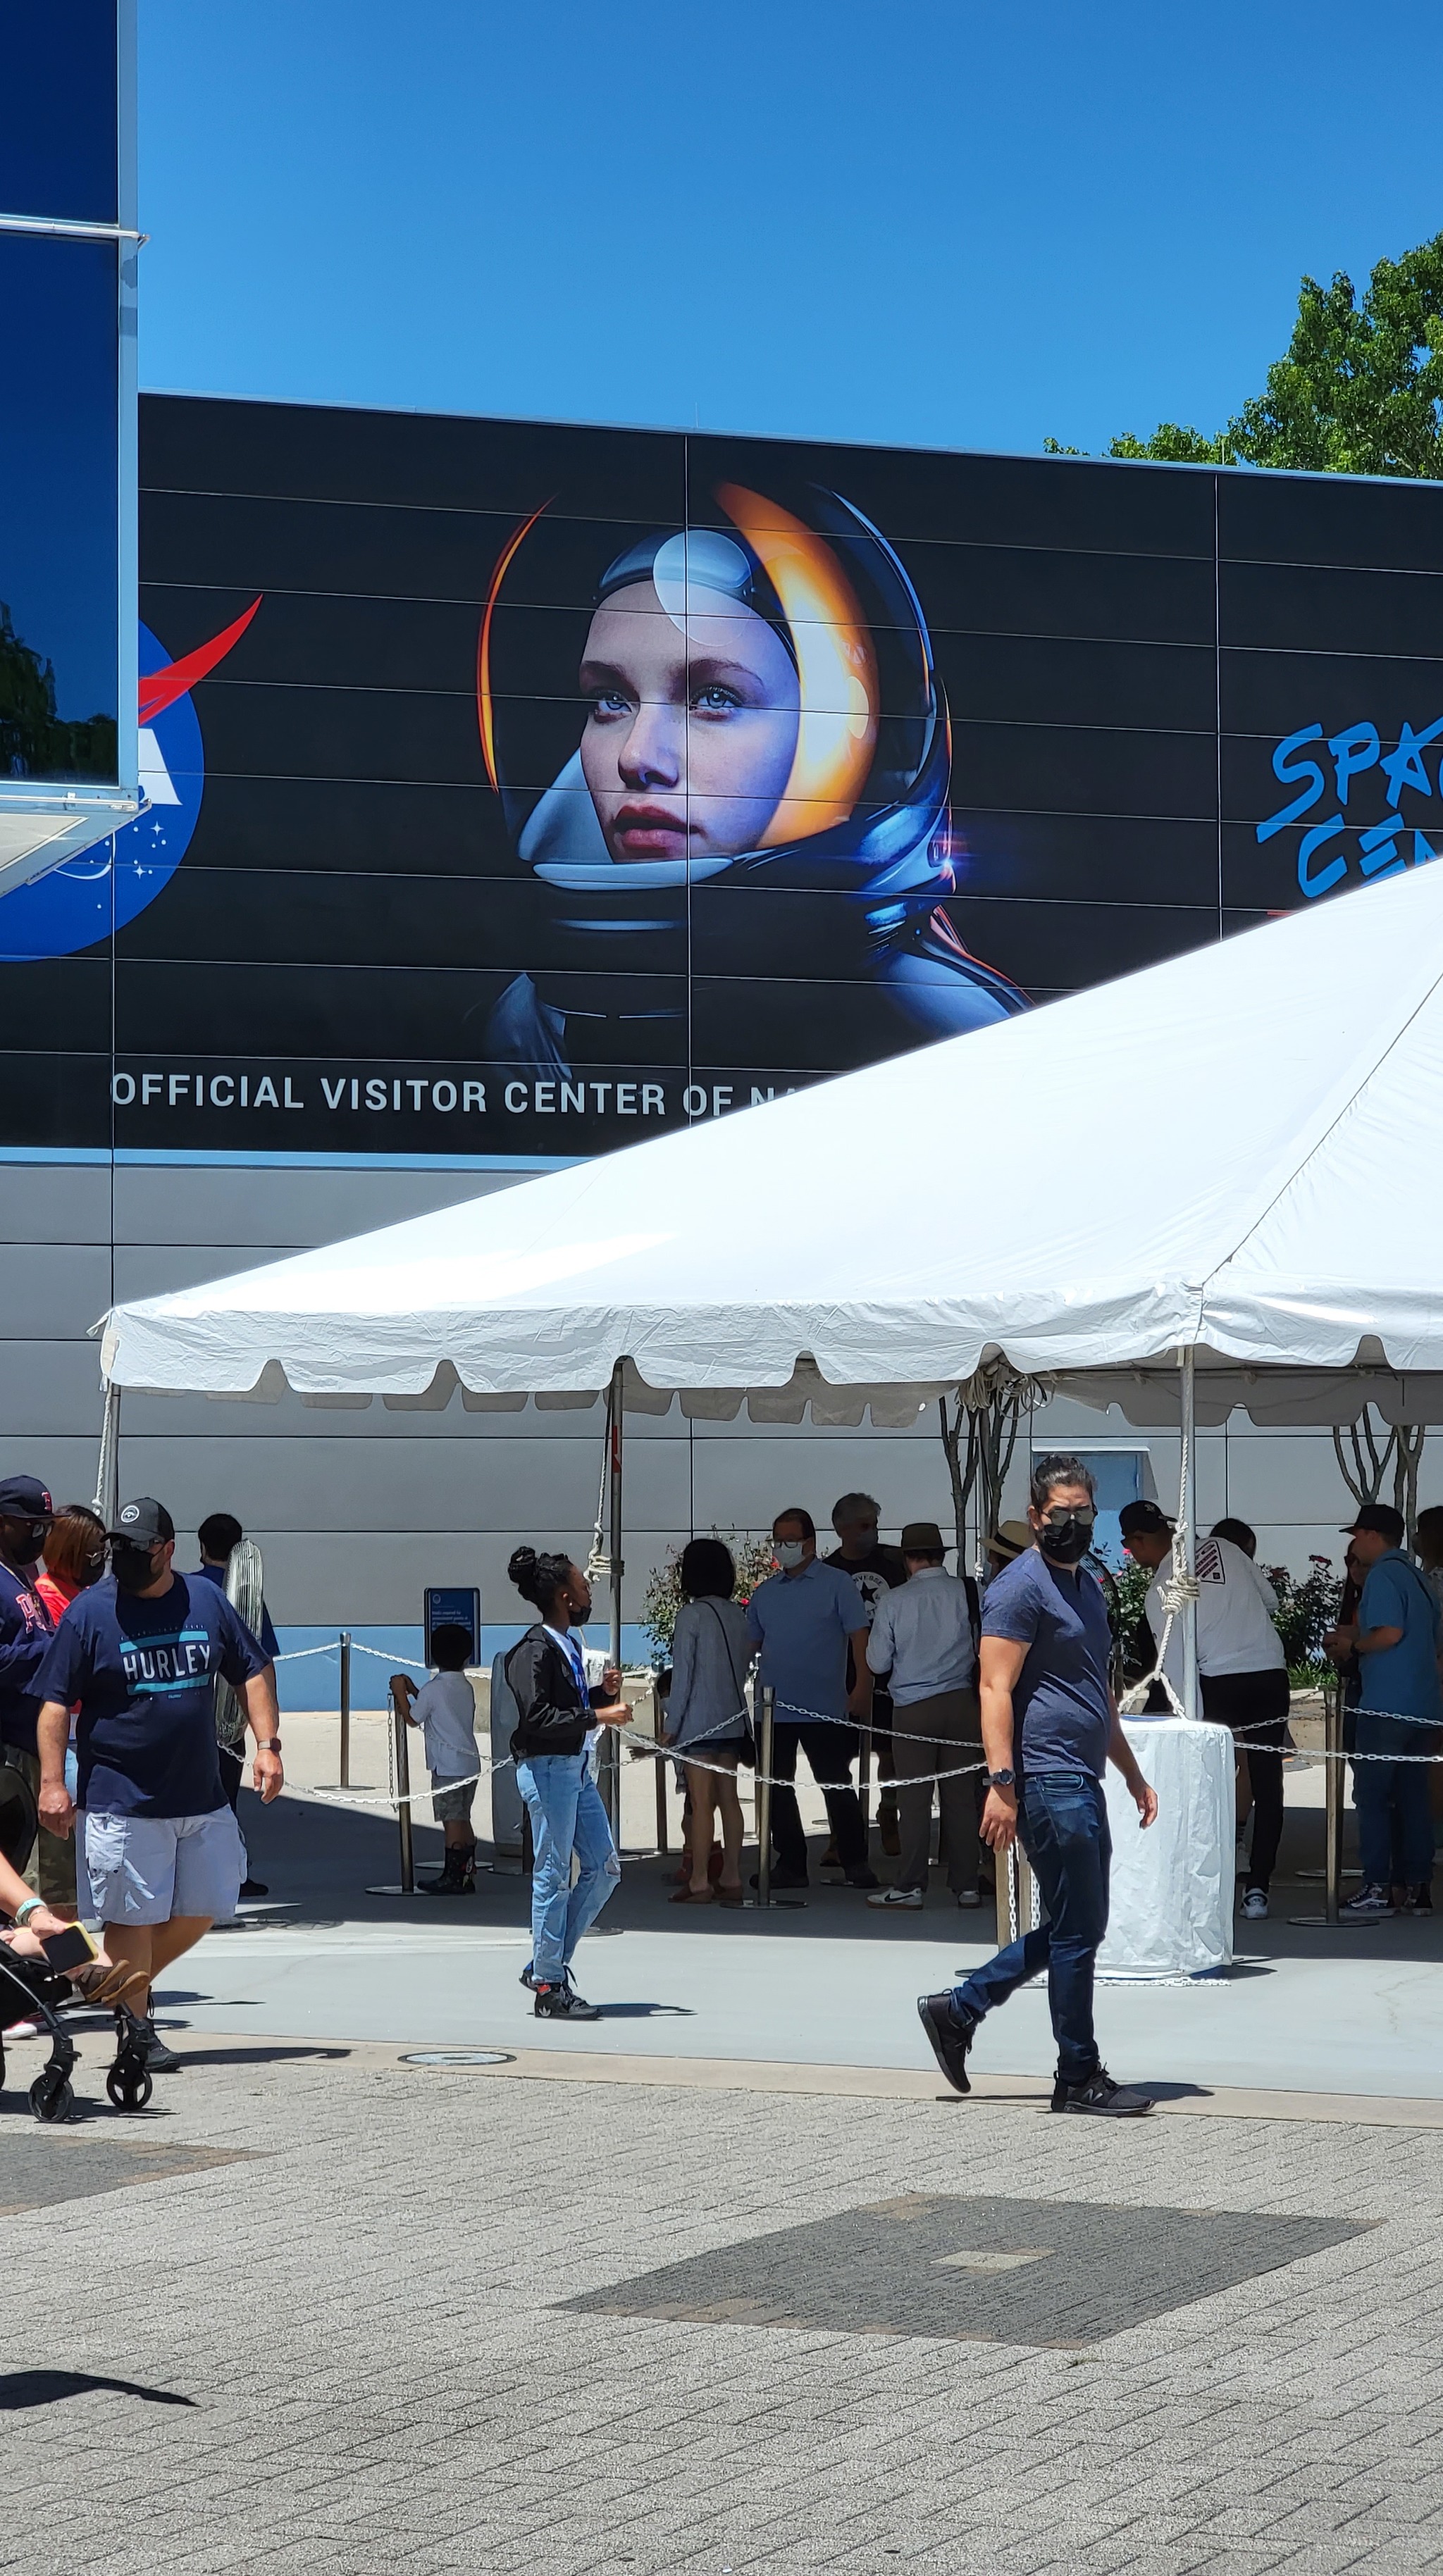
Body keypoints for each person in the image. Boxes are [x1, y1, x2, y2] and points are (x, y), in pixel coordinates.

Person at [917, 1454, 1159, 2117]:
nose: (1073, 1523)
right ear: (1036, 1517)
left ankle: (960, 2009)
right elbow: (993, 1687)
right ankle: (1076, 2073)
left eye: (1083, 1512)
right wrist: (1002, 1783)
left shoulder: (1088, 1584)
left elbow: (1096, 1694)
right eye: (1061, 1514)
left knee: (1078, 1924)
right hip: (1046, 1777)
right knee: (1080, 1927)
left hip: (1080, 1773)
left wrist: (1132, 1773)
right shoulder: (1020, 1587)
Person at [32, 1496, 283, 2074]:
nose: (122, 1558)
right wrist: (53, 1783)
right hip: (124, 1799)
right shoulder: (91, 1613)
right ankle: (136, 2030)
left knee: (209, 1903)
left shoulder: (206, 1599)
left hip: (200, 1796)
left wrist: (267, 1746)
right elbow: (52, 1703)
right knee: (132, 1920)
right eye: (115, 1547)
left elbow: (250, 1669)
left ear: (167, 1550)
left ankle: (105, 1983)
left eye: (136, 1548)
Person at [1120, 1499, 1289, 1921]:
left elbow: (1175, 1668)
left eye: (1131, 1546)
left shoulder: (1162, 1589)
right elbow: (1269, 1602)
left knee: (1206, 1784)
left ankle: (1207, 1886)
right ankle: (1258, 1889)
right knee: (1269, 1786)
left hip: (1219, 1682)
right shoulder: (1227, 1548)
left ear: (1139, 1541)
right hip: (1269, 1671)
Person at [505, 1544, 631, 2020]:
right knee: (554, 1875)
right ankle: (548, 1985)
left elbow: (566, 1704)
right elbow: (538, 1716)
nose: (587, 1592)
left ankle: (546, 1963)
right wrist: (600, 1712)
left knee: (604, 1868)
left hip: (575, 1769)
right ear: (564, 1595)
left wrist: (602, 1693)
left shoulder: (568, 1644)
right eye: (582, 1585)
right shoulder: (533, 1649)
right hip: (548, 1769)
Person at [745, 1508, 879, 1891]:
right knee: (776, 1788)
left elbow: (859, 1638)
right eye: (777, 1540)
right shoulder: (765, 1594)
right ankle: (790, 1864)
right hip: (773, 1710)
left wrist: (862, 1687)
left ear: (810, 1543)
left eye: (789, 1540)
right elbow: (748, 1646)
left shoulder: (837, 1584)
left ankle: (855, 1861)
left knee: (836, 1785)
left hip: (826, 1706)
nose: (782, 1548)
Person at [1324, 1502, 1442, 1918]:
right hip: (1424, 1705)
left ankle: (1376, 1886)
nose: (1355, 1545)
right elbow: (1425, 1639)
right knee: (1414, 1797)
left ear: (1373, 1535)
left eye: (1357, 1536)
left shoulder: (1384, 1575)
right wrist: (1356, 1633)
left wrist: (1353, 1645)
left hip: (1386, 1705)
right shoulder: (1419, 1578)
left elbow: (1390, 1633)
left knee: (1371, 1796)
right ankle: (1417, 1888)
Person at [864, 1520, 982, 1910]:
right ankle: (967, 1885)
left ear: (906, 1558)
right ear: (941, 1555)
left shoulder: (894, 1601)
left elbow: (877, 1662)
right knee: (962, 1798)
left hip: (912, 1707)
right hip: (963, 1702)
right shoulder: (969, 1591)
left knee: (913, 1800)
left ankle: (911, 1884)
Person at [192, 1512, 281, 1900]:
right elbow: (262, 1664)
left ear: (201, 1547)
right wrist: (268, 1734)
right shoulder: (247, 1600)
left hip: (192, 1719)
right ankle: (232, 1876)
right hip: (230, 1725)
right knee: (225, 1802)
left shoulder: (188, 1591)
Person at [664, 1539, 752, 1908]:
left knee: (701, 1804)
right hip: (732, 1717)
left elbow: (682, 1677)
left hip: (698, 1722)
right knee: (730, 1800)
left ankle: (700, 1880)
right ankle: (732, 1875)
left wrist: (671, 1726)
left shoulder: (692, 1616)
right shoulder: (737, 1614)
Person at [824, 1493, 908, 1858]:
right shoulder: (827, 1572)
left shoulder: (894, 1562)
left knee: (890, 1753)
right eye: (864, 1525)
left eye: (875, 1524)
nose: (873, 1532)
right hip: (840, 1678)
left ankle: (889, 1814)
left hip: (892, 1676)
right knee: (838, 1758)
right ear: (842, 1529)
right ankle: (842, 1833)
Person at [0, 1476, 63, 1915]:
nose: (39, 1535)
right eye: (30, 1526)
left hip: (28, 1746)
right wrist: (52, 1649)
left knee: (22, 1870)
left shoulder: (21, 1578)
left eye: (45, 1526)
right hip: (4, 1750)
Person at [392, 1624, 480, 1895]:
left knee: (451, 1820)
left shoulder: (434, 1689)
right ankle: (466, 1871)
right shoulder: (464, 1686)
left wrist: (399, 1692)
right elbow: (435, 1708)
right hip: (468, 1763)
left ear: (433, 1656)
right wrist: (415, 1691)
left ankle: (453, 1876)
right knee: (463, 1816)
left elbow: (413, 1718)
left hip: (447, 1766)